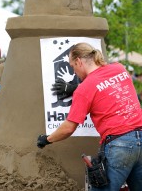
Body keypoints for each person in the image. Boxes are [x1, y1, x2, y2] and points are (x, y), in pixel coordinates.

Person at [37, 42, 142, 191]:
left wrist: (47, 139)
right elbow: (104, 85)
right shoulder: (119, 69)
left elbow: (69, 127)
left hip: (120, 145)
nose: (74, 73)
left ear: (79, 61)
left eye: (72, 66)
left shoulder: (85, 89)